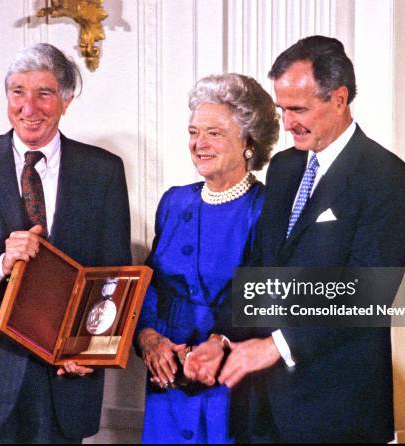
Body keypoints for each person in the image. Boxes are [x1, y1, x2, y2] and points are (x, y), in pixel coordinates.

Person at [186, 35, 405, 443]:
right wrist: (221, 339)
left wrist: (276, 346)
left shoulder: (386, 177)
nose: (287, 122)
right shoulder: (285, 167)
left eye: (299, 109)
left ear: (340, 99)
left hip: (338, 412)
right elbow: (259, 269)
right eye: (281, 109)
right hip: (264, 409)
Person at [0, 43, 131, 443]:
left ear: (66, 100)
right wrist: (0, 263)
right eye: (18, 92)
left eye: (44, 93)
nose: (28, 107)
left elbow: (114, 273)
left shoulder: (102, 170)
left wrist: (90, 348)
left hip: (63, 382)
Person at [135, 73, 279, 444]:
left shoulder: (266, 209)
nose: (199, 144)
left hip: (230, 382)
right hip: (167, 379)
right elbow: (151, 285)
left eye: (214, 133)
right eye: (194, 132)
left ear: (249, 141)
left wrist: (222, 342)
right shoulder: (175, 201)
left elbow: (268, 298)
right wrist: (148, 338)